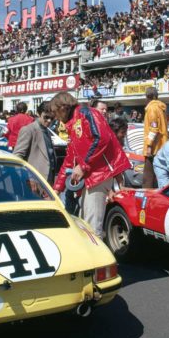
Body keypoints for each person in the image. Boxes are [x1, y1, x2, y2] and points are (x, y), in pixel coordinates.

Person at [51, 93, 130, 238]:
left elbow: (102, 138)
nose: (55, 117)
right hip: (91, 177)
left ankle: (99, 259)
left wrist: (82, 166)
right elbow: (70, 159)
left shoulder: (87, 113)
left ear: (63, 107)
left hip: (99, 175)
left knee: (92, 229)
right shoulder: (74, 121)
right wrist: (56, 189)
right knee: (85, 225)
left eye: (55, 112)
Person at [14, 102, 58, 186]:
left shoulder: (47, 130)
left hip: (48, 181)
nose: (49, 121)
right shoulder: (29, 130)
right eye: (46, 117)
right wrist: (28, 177)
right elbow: (17, 157)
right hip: (34, 182)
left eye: (52, 118)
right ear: (38, 114)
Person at [142, 86, 168, 188]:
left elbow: (154, 128)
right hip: (161, 146)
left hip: (153, 148)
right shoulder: (160, 108)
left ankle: (146, 199)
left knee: (148, 178)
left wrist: (149, 145)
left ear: (148, 96)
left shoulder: (152, 108)